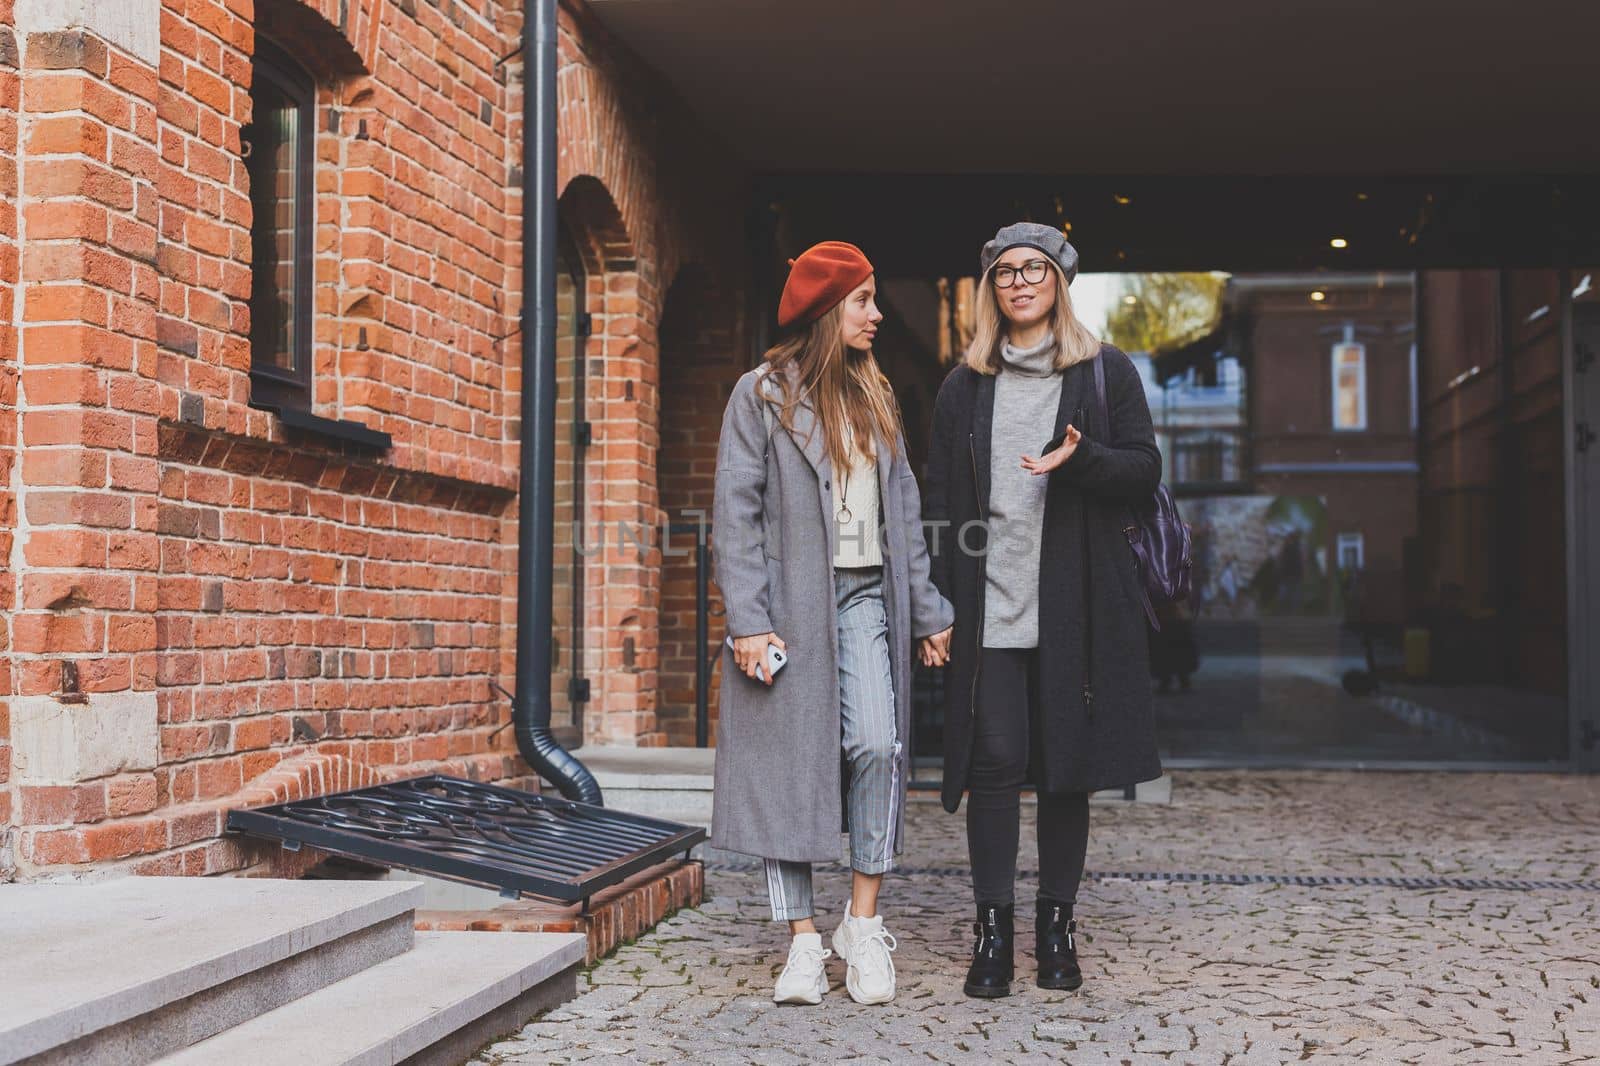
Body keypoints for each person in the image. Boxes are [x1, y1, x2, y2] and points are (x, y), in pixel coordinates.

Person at [922, 222, 1164, 998]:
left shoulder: (1102, 374)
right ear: (991, 289)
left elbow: (1144, 470)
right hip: (988, 609)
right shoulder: (963, 386)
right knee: (994, 761)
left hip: (1076, 611)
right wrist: (934, 604)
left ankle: (1055, 926)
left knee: (1066, 770)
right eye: (1003, 271)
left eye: (1035, 269)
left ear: (1059, 281)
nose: (1019, 281)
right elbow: (935, 501)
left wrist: (1081, 458)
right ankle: (992, 931)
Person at [711, 241, 955, 1007]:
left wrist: (928, 606)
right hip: (786, 609)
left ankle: (863, 923)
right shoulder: (760, 396)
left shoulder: (876, 396)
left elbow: (904, 515)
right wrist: (748, 619)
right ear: (826, 311)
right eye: (864, 300)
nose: (878, 313)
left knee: (877, 744)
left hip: (864, 602)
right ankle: (804, 944)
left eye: (875, 298)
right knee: (790, 771)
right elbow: (736, 513)